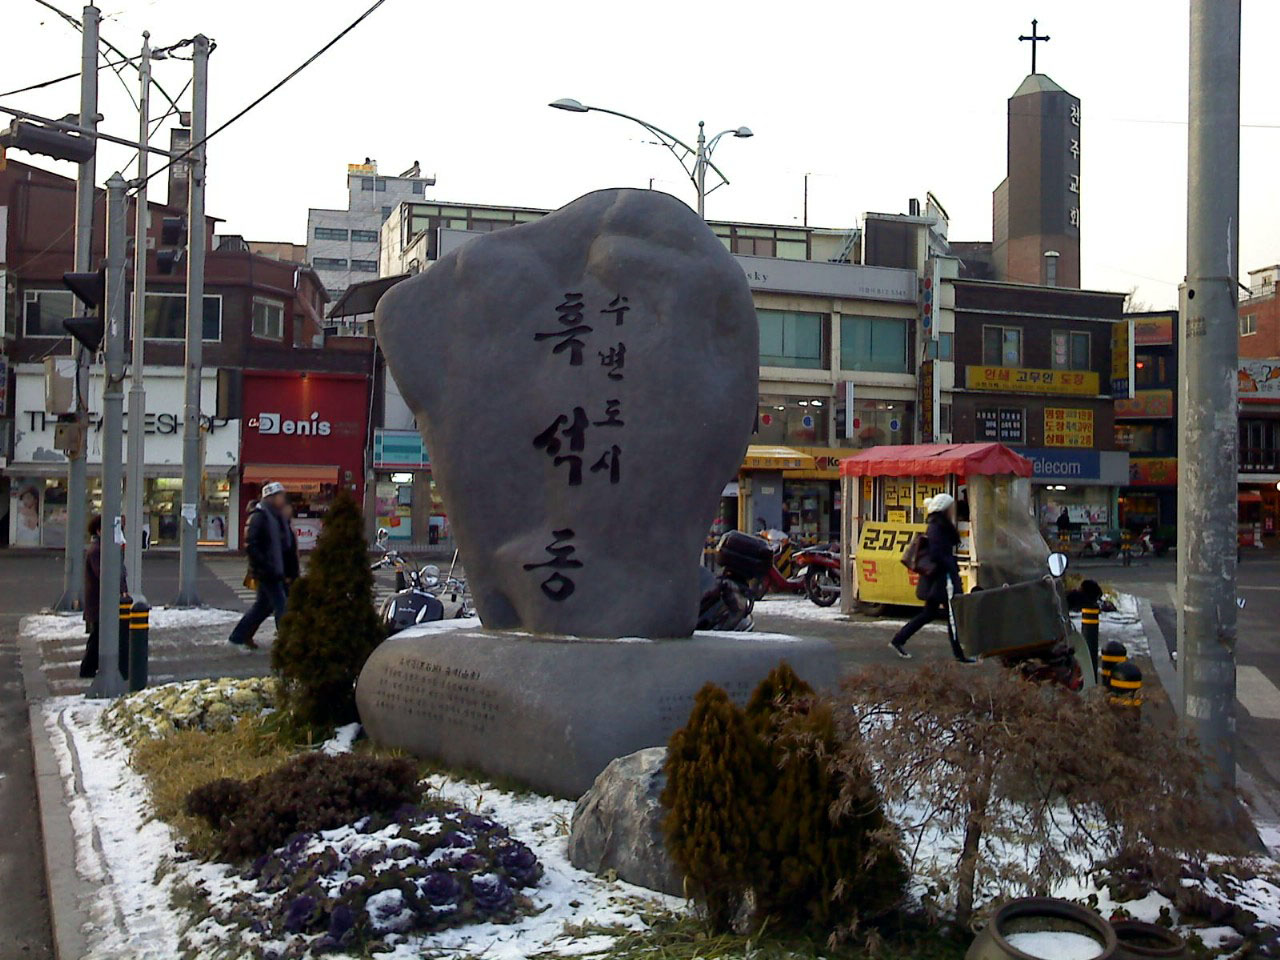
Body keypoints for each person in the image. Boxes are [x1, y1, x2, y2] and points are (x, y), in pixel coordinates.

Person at [890, 493, 975, 663]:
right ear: (944, 509)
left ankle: (898, 640)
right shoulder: (938, 526)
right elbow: (937, 554)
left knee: (929, 613)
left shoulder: (938, 524)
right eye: (950, 507)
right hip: (943, 579)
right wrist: (950, 566)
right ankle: (959, 654)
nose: (953, 510)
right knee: (952, 616)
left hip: (938, 579)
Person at [229, 482, 290, 650]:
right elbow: (251, 545)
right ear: (271, 497)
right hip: (267, 570)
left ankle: (239, 636)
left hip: (274, 568)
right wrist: (264, 565)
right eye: (280, 496)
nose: (283, 499)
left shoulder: (274, 516)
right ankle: (287, 643)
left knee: (263, 606)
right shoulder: (259, 516)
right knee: (281, 606)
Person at [80, 514, 127, 679]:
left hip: (101, 602)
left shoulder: (103, 549)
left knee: (99, 636)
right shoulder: (97, 551)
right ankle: (87, 669)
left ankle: (90, 668)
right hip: (99, 602)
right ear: (100, 531)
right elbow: (105, 575)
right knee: (98, 636)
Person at [280, 500, 300, 586]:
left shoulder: (288, 525)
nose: (290, 511)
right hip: (285, 571)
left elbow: (294, 548)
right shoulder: (280, 526)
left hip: (291, 570)